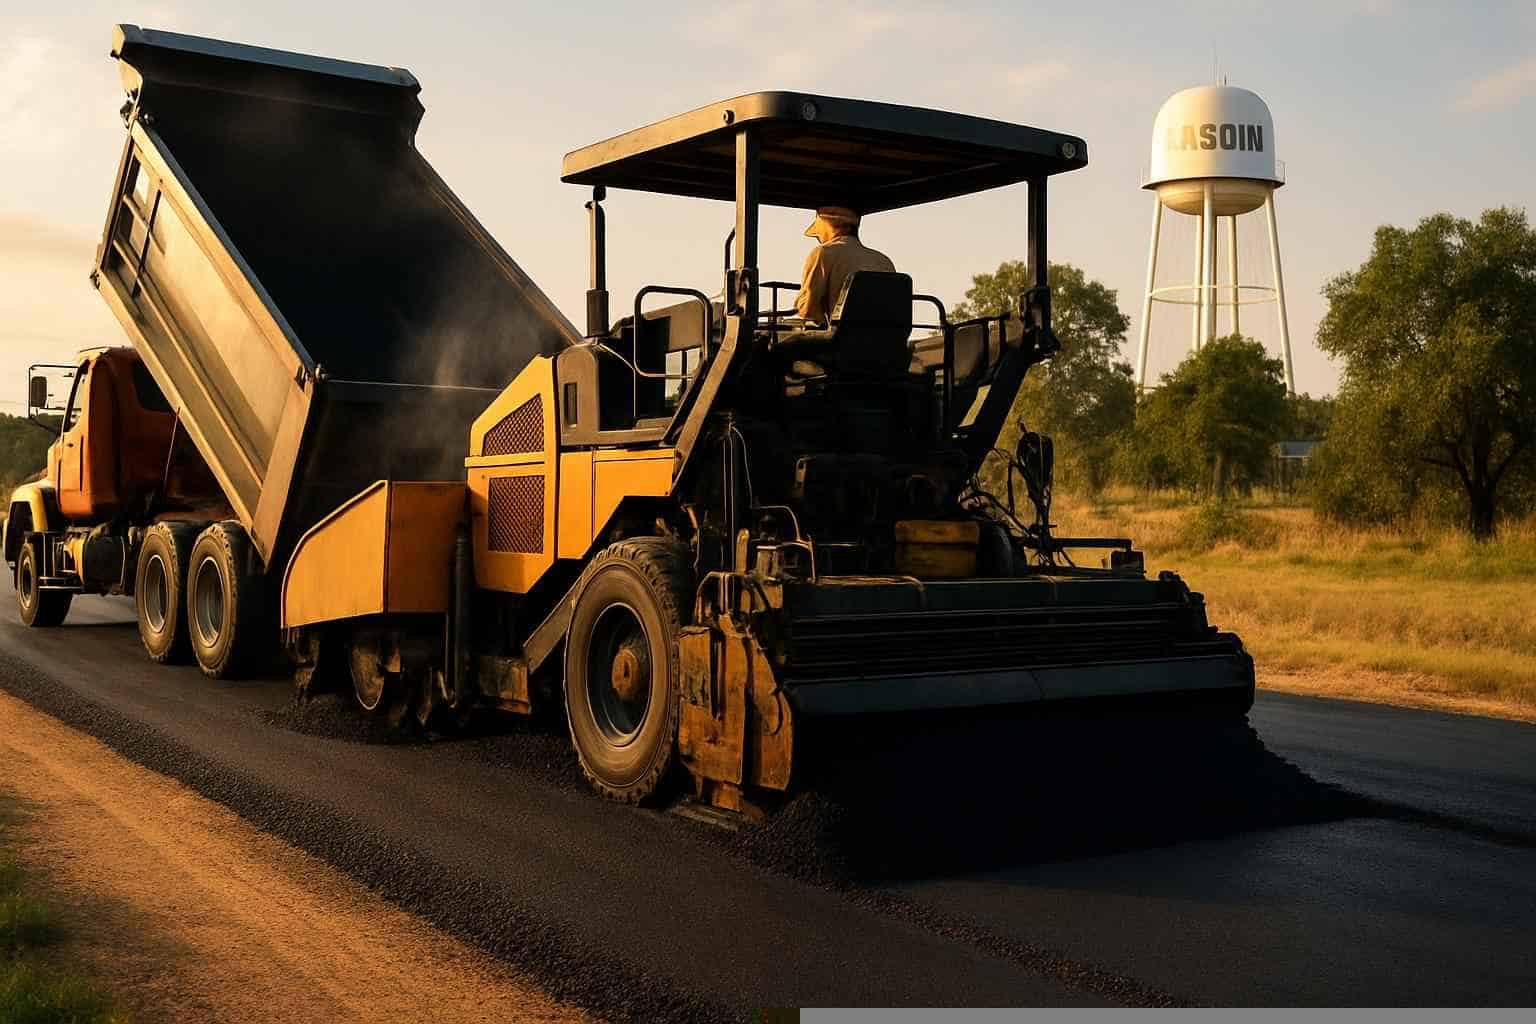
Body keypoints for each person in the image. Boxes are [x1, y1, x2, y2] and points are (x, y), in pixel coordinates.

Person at [793, 206, 895, 326]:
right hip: (887, 340)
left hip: (844, 339)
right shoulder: (884, 260)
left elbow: (807, 308)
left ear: (827, 228)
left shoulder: (823, 253)